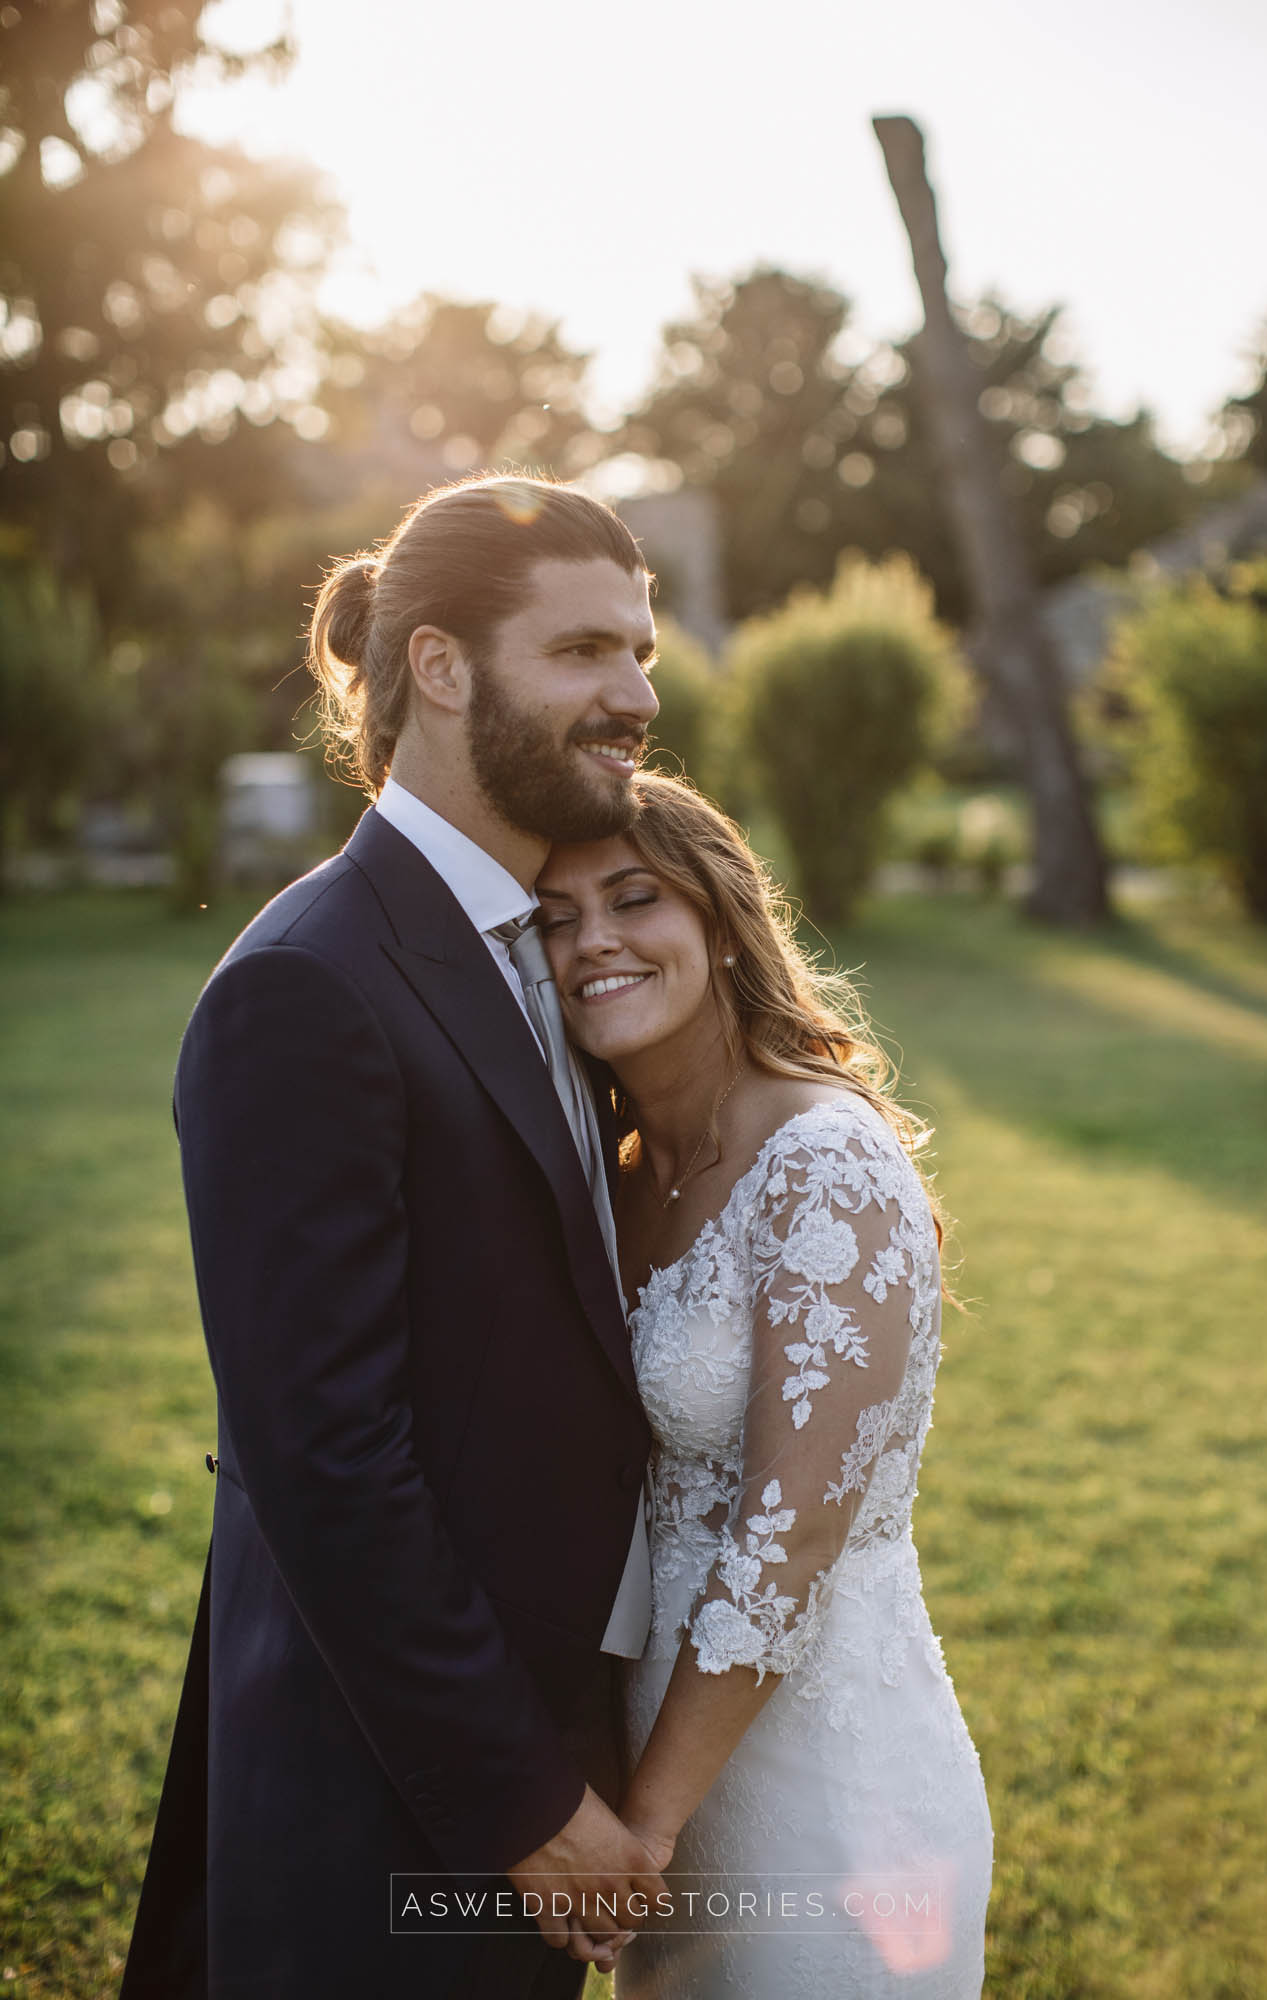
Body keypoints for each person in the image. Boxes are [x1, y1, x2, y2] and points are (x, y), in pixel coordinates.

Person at [120, 474, 670, 2000]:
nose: (633, 696)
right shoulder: (308, 985)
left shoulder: (554, 942)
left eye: (642, 653)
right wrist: (525, 1802)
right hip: (397, 1796)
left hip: (543, 1720)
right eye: (581, 653)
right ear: (439, 667)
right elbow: (326, 1459)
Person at [535, 772, 993, 1998]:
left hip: (827, 1806)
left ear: (722, 920)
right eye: (557, 916)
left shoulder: (825, 1165)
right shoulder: (617, 1172)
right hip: (664, 1788)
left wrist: (640, 1829)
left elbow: (786, 1540)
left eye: (634, 899)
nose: (595, 943)